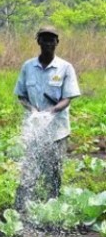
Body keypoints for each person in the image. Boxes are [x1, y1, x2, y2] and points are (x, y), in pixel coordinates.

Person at [13, 26, 81, 212]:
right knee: (29, 169)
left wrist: (50, 112)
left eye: (52, 39)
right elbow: (22, 96)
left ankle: (53, 209)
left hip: (57, 131)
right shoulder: (28, 67)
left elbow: (67, 98)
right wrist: (33, 110)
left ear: (57, 43)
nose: (48, 43)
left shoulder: (65, 68)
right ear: (38, 42)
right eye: (44, 39)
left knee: (54, 172)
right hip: (35, 128)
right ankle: (21, 209)